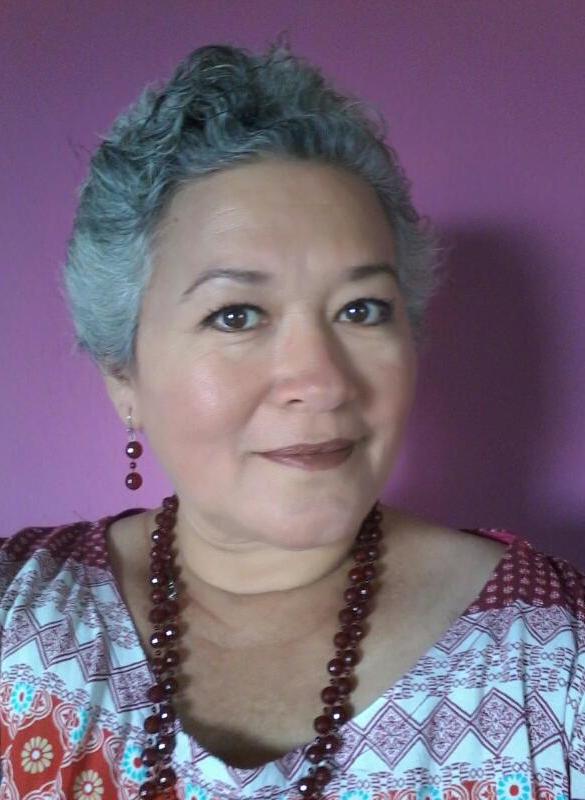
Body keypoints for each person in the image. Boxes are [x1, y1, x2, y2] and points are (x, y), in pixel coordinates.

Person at [0, 42, 583, 800]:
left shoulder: (554, 659)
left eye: (361, 310)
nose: (320, 381)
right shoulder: (19, 609)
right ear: (123, 376)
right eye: (236, 314)